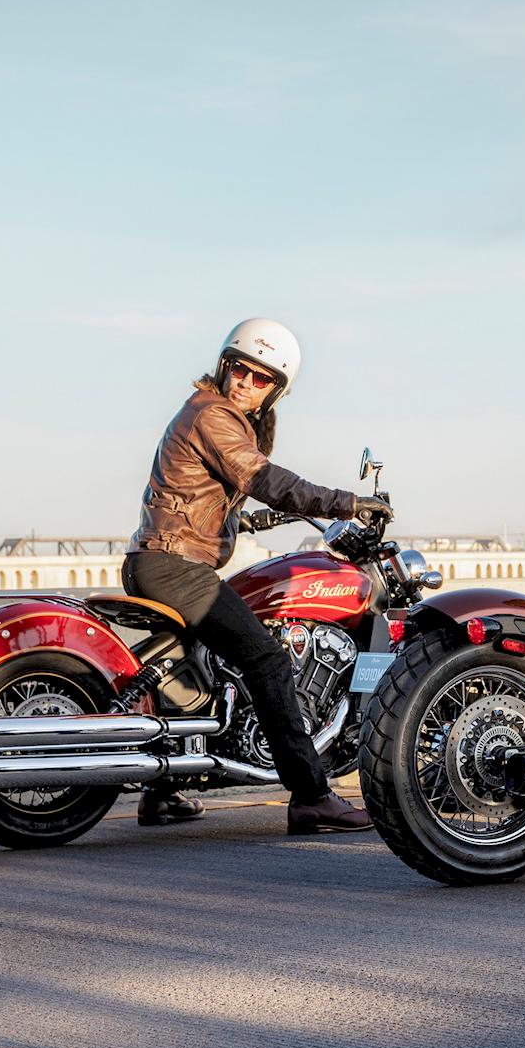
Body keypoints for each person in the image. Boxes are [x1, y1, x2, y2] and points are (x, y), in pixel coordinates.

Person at [123, 318, 392, 833]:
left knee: (186, 672)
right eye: (238, 368)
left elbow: (205, 496)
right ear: (225, 366)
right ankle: (311, 794)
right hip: (176, 565)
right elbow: (263, 477)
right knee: (267, 660)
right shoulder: (213, 413)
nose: (245, 381)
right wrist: (347, 502)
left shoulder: (208, 415)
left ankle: (161, 791)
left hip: (158, 559)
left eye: (260, 377)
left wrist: (254, 517)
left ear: (275, 390)